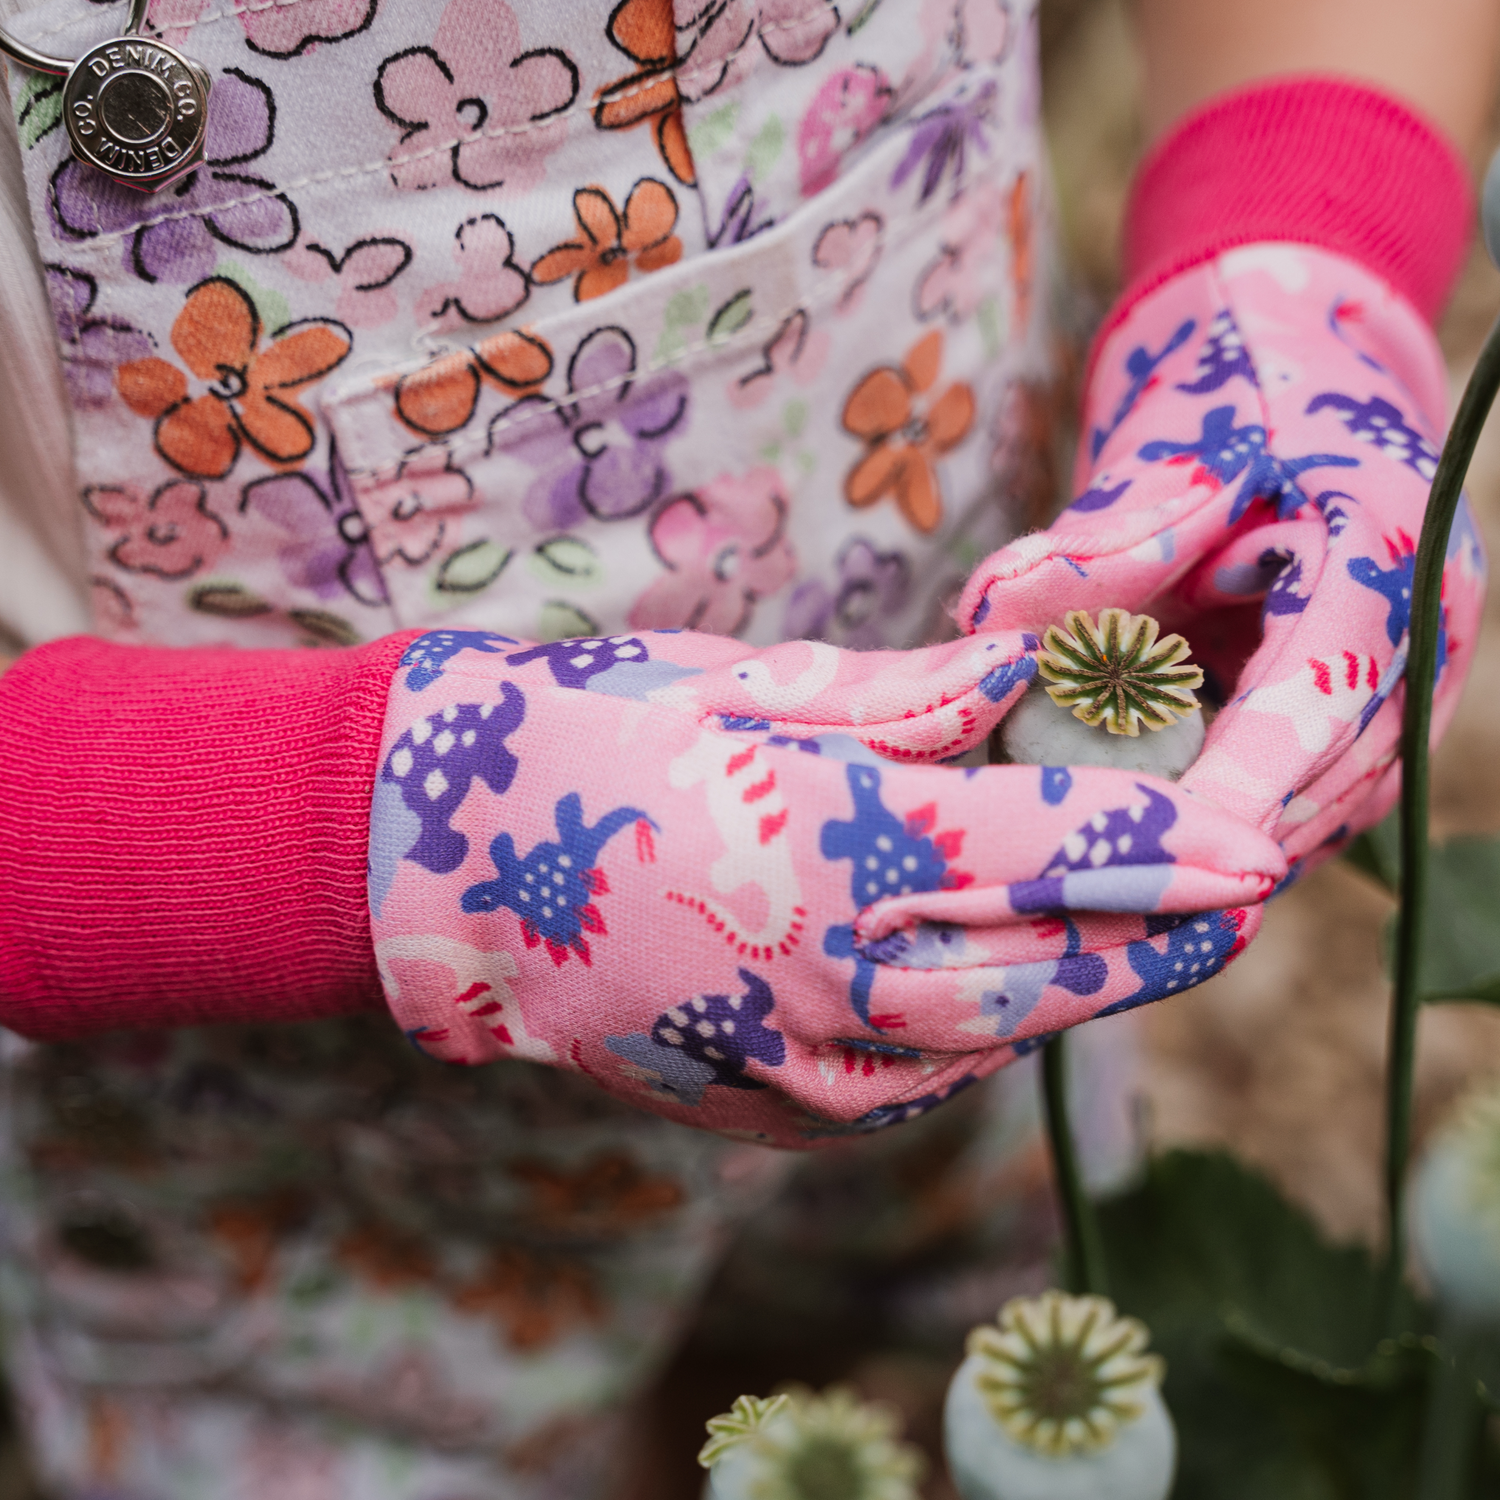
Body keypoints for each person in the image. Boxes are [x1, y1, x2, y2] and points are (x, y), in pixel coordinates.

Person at [0, 0, 1493, 1491]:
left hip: (965, 883)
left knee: (943, 1305)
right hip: (267, 1132)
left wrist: (1300, 267)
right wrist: (371, 827)